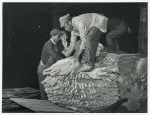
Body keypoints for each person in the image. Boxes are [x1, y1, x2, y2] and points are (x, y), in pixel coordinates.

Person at [37, 29, 64, 100]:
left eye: (60, 37)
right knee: (43, 89)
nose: (59, 39)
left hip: (49, 68)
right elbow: (55, 55)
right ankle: (44, 106)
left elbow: (60, 53)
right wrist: (66, 61)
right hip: (43, 69)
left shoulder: (55, 45)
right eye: (58, 37)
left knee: (50, 88)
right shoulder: (48, 44)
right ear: (52, 36)